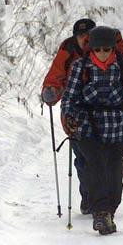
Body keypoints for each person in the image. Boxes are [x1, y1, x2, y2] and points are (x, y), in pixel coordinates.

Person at [61, 26, 123, 235]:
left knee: (114, 172)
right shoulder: (80, 67)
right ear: (91, 49)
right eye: (97, 49)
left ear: (113, 49)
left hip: (117, 127)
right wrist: (70, 117)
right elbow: (69, 98)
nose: (102, 53)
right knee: (95, 165)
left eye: (106, 49)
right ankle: (100, 213)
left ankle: (109, 210)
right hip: (88, 126)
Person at [41, 18, 96, 214]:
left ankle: (102, 198)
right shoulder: (68, 50)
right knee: (82, 159)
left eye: (89, 34)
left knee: (104, 158)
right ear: (76, 38)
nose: (85, 39)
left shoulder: (106, 49)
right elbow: (56, 75)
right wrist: (51, 91)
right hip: (75, 113)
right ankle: (89, 196)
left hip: (102, 113)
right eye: (81, 36)